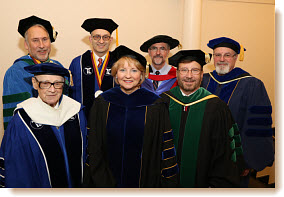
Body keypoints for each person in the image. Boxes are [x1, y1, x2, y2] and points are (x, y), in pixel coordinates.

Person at [84, 45, 178, 188]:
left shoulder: (155, 105)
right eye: (122, 70)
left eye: (134, 70)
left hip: (146, 182)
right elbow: (94, 145)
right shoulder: (103, 102)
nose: (128, 76)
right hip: (106, 181)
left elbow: (165, 146)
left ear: (141, 75)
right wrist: (99, 178)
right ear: (115, 75)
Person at [157, 50, 244, 187]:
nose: (189, 76)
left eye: (195, 70)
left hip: (203, 183)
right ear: (177, 73)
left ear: (202, 75)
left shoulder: (216, 107)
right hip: (164, 182)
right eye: (184, 70)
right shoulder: (163, 103)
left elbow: (224, 153)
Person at [201, 37, 274, 187]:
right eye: (217, 55)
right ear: (212, 57)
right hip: (202, 155)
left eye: (227, 55)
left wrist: (246, 161)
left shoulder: (252, 84)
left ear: (235, 58)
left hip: (233, 160)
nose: (222, 59)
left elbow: (257, 127)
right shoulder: (203, 80)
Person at [0, 63, 87, 188]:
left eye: (57, 83)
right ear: (35, 84)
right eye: (45, 83)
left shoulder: (75, 112)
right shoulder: (22, 119)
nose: (52, 90)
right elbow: (17, 169)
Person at [2, 15, 62, 130]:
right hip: (33, 136)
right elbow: (15, 118)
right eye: (35, 40)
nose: (41, 45)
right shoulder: (16, 72)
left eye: (45, 39)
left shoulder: (58, 67)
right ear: (26, 45)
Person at [69, 18, 118, 117]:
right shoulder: (77, 62)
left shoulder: (119, 62)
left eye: (105, 37)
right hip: (83, 119)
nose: (101, 41)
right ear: (90, 39)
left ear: (111, 40)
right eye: (96, 37)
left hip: (113, 118)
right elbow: (70, 94)